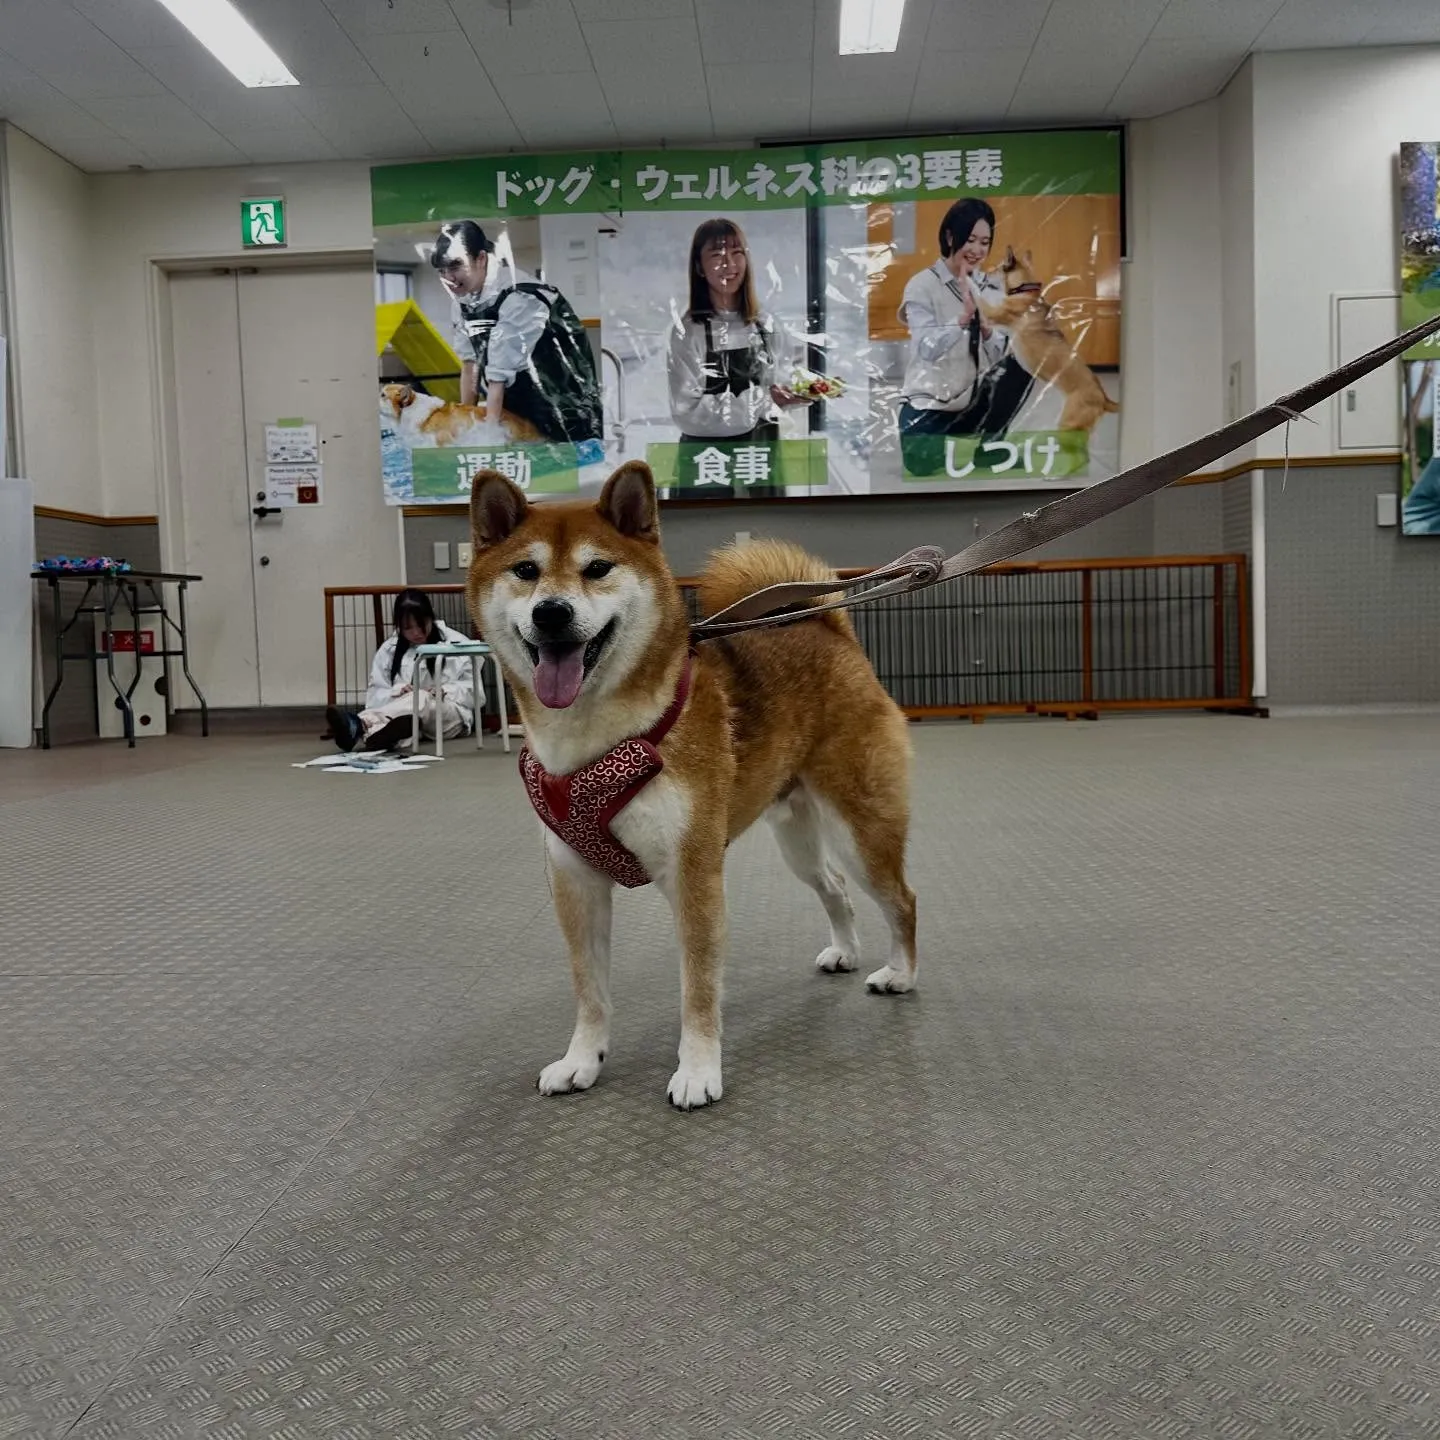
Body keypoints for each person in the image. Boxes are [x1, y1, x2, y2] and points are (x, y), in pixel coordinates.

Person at [666, 217, 811, 496]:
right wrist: (764, 399)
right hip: (708, 465)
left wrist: (794, 394)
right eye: (716, 254)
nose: (729, 264)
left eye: (737, 252)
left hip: (759, 458)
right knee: (707, 536)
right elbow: (687, 412)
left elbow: (779, 385)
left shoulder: (766, 324)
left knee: (765, 536)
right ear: (699, 266)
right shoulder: (689, 332)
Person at [430, 219, 602, 445]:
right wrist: (468, 421)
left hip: (566, 410)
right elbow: (469, 365)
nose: (449, 278)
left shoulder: (520, 297)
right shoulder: (464, 301)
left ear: (480, 258)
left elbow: (498, 377)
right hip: (517, 409)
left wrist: (487, 435)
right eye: (442, 270)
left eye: (455, 266)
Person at [896, 198, 1034, 440]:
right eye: (970, 240)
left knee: (1023, 362)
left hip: (974, 402)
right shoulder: (921, 286)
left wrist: (986, 328)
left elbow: (999, 357)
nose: (977, 250)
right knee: (924, 469)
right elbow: (926, 350)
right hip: (930, 405)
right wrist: (962, 318)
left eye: (984, 243)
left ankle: (990, 445)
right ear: (950, 238)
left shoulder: (990, 287)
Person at [325, 590, 479, 752]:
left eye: (421, 624)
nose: (416, 633)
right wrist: (397, 691)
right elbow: (374, 695)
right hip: (407, 720)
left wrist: (445, 690)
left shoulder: (456, 643)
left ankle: (360, 724)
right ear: (398, 626)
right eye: (408, 628)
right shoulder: (388, 649)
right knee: (411, 708)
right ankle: (377, 735)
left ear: (431, 618)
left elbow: (476, 692)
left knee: (420, 697)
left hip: (449, 717)